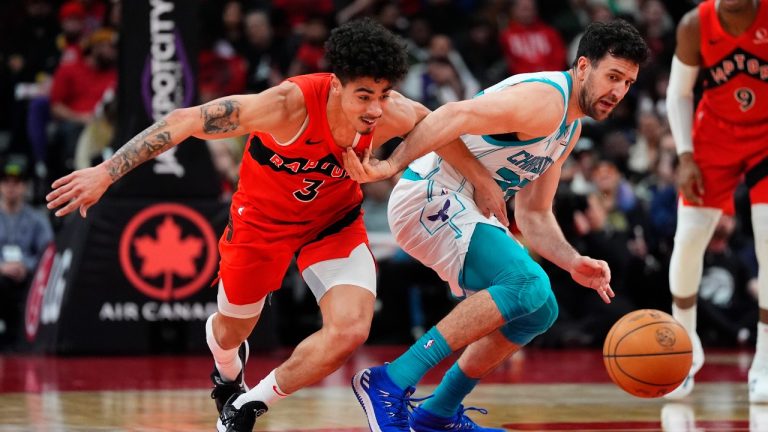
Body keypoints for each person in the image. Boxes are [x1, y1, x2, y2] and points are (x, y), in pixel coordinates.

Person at [44, 18, 504, 432]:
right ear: (337, 85)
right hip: (261, 225)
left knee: (350, 332)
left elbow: (436, 126)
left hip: (333, 223)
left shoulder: (389, 112)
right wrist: (106, 172)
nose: (374, 109)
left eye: (382, 95)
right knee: (231, 331)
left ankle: (248, 405)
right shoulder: (288, 105)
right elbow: (184, 120)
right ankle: (225, 365)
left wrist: (483, 182)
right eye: (364, 95)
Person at [342, 20, 648, 431]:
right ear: (582, 67)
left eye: (627, 82)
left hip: (464, 205)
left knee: (540, 309)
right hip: (430, 194)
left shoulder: (568, 126)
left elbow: (534, 214)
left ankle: (437, 415)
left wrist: (572, 260)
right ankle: (388, 381)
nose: (618, 91)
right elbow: (452, 114)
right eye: (612, 76)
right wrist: (392, 164)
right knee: (527, 285)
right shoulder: (543, 101)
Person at [663, 0, 768, 401]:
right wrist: (685, 155)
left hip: (765, 136)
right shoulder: (695, 25)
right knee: (688, 239)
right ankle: (685, 349)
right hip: (715, 136)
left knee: (767, 240)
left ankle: (764, 360)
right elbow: (678, 92)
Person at [0, 158, 54, 350]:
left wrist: (27, 266)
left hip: (29, 279)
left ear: (25, 186)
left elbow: (48, 254)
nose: (11, 187)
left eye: (17, 183)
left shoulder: (37, 220)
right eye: (6, 182)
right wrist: (2, 268)